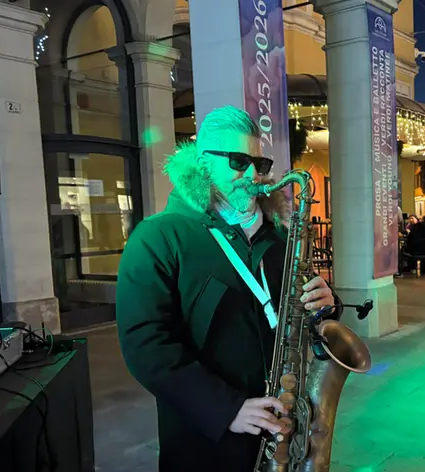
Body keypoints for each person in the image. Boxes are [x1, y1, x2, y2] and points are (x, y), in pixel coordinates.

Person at [115, 106, 341, 471]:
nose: (253, 174)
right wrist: (226, 408)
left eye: (260, 164)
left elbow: (296, 313)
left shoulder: (279, 236)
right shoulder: (157, 237)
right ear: (204, 164)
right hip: (205, 440)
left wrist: (325, 305)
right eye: (239, 161)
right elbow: (147, 346)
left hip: (281, 425)